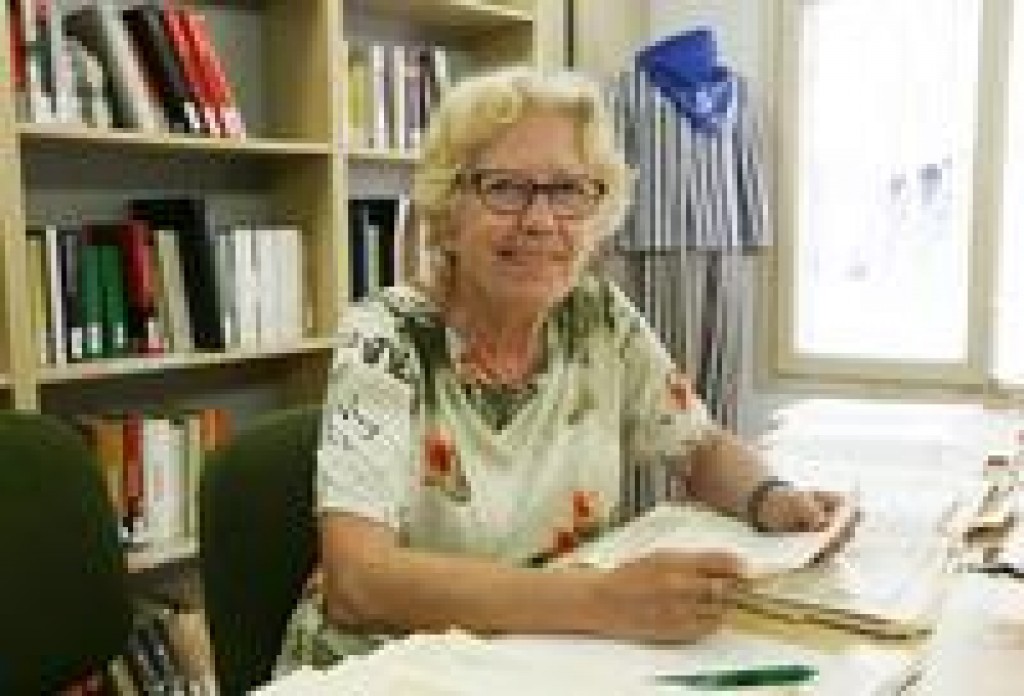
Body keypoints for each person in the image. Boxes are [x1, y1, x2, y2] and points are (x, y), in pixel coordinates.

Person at [275, 67, 851, 670]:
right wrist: (604, 601)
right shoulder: (385, 338)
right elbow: (359, 583)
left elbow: (698, 446)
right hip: (389, 668)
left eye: (569, 191)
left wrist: (773, 498)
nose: (540, 221)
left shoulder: (596, 314)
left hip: (544, 655)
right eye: (504, 188)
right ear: (449, 211)